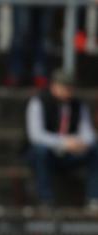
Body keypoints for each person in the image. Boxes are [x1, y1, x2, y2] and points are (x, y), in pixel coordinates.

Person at [26, 70, 98, 209]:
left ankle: (94, 198)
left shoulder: (78, 105)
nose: (69, 90)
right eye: (65, 87)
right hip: (48, 153)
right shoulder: (38, 102)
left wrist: (80, 143)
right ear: (54, 86)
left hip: (71, 154)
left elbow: (88, 133)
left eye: (71, 87)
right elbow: (36, 135)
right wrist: (63, 142)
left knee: (96, 149)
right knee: (40, 151)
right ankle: (46, 200)